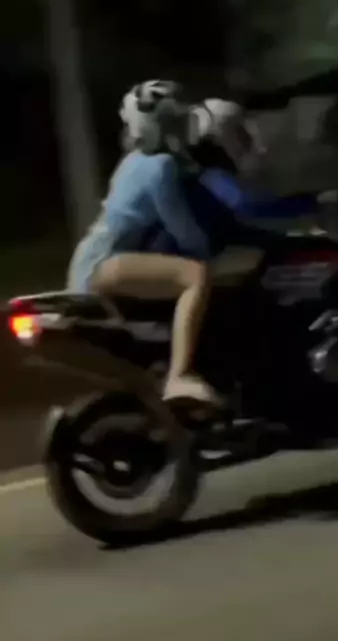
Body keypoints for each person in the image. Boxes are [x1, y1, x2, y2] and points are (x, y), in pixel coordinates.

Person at [67, 79, 263, 409]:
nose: (184, 127)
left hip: (94, 258)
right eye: (175, 121)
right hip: (105, 262)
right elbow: (184, 231)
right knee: (196, 276)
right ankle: (179, 376)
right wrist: (212, 251)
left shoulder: (135, 161)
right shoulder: (161, 167)